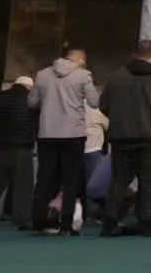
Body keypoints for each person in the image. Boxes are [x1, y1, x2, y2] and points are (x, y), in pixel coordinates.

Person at [98, 39, 151, 237]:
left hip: (121, 136)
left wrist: (119, 120)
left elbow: (103, 105)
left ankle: (109, 221)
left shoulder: (116, 77)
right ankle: (145, 222)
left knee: (118, 181)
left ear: (133, 52)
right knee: (150, 181)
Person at [29, 45, 99, 235]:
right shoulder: (83, 75)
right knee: (71, 180)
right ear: (80, 60)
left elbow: (32, 102)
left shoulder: (42, 74)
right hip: (73, 134)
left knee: (44, 178)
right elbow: (94, 102)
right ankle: (66, 223)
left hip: (47, 133)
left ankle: (39, 219)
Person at [0, 76, 37, 231]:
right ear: (29, 87)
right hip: (22, 148)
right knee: (23, 187)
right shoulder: (32, 100)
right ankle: (21, 220)